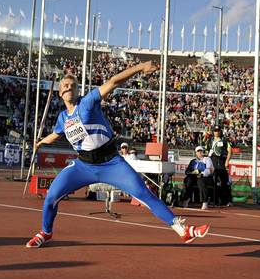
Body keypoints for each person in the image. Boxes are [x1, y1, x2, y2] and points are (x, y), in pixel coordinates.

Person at [26, 61, 210, 248]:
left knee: (143, 193)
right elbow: (56, 134)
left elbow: (114, 81)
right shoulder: (63, 117)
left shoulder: (88, 102)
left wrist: (141, 67)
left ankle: (182, 230)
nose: (70, 88)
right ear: (60, 93)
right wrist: (40, 142)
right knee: (51, 197)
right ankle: (46, 232)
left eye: (73, 86)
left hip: (111, 163)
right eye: (66, 86)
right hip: (83, 165)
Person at [206, 125, 232, 206]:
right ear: (213, 131)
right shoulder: (210, 140)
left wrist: (227, 160)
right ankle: (214, 200)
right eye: (215, 130)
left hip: (221, 162)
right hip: (212, 161)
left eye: (218, 130)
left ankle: (227, 201)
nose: (216, 132)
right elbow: (207, 150)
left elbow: (230, 151)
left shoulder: (224, 140)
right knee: (212, 182)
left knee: (224, 182)